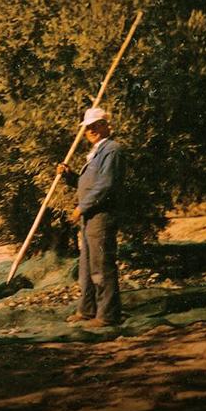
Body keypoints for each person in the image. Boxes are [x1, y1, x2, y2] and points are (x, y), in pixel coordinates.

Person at [57, 107, 124, 327]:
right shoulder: (96, 152)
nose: (92, 130)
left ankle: (107, 315)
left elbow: (105, 186)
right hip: (90, 217)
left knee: (101, 265)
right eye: (88, 127)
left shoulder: (112, 150)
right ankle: (86, 310)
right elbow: (86, 183)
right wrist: (69, 176)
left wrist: (81, 208)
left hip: (101, 216)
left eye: (96, 125)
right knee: (86, 266)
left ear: (106, 126)